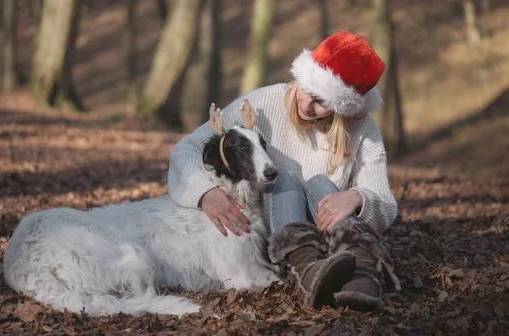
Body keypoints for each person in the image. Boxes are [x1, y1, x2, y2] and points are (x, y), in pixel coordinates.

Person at [167, 30, 401, 312]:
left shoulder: (363, 129)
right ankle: (306, 270)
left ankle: (362, 272)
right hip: (278, 238)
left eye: (322, 102)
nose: (307, 105)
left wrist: (356, 197)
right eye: (306, 90)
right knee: (285, 178)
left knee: (319, 184)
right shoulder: (262, 104)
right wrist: (203, 193)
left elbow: (386, 203)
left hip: (331, 238)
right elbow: (187, 148)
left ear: (344, 106)